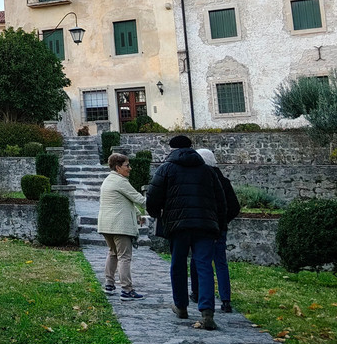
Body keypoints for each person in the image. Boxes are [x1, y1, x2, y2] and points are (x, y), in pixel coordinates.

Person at [146, 135, 227, 330]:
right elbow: (221, 201)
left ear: (172, 149)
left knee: (178, 264)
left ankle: (181, 306)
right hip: (205, 225)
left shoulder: (166, 169)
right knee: (204, 266)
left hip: (178, 225)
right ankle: (207, 312)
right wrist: (219, 225)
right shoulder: (208, 171)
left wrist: (157, 214)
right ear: (191, 148)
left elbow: (153, 196)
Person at [189, 148, 240, 313]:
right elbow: (234, 207)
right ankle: (226, 300)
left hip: (203, 227)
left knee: (198, 259)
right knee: (220, 263)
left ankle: (196, 292)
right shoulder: (224, 181)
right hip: (220, 228)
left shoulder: (199, 180)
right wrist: (223, 222)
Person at [97, 152, 147, 300]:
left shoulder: (108, 180)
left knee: (112, 253)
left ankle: (109, 284)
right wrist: (160, 207)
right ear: (118, 167)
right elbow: (138, 198)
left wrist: (137, 214)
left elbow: (122, 201)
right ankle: (127, 289)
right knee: (124, 257)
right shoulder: (121, 181)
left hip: (106, 225)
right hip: (120, 225)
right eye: (127, 165)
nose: (130, 168)